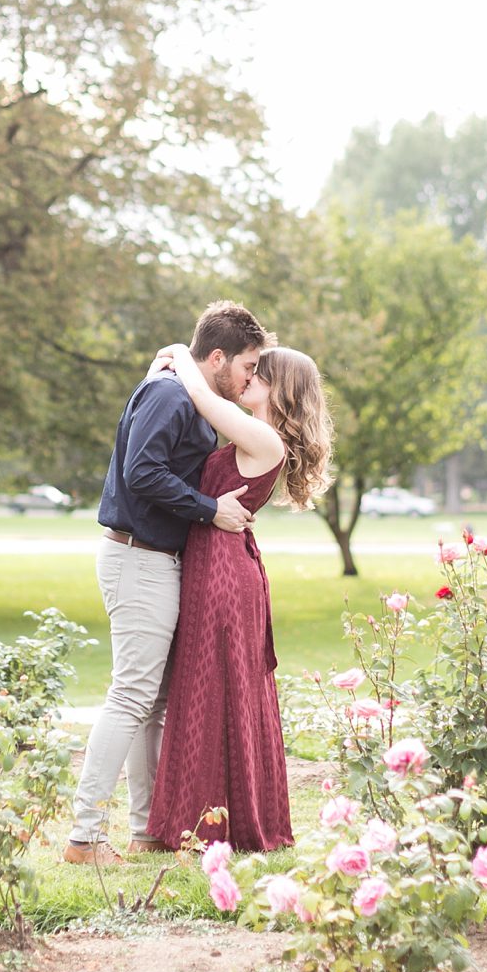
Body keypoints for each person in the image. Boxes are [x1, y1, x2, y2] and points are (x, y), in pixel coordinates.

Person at [61, 301, 274, 866]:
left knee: (151, 701)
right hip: (138, 558)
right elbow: (142, 472)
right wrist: (211, 510)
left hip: (158, 560)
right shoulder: (167, 394)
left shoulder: (189, 396)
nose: (252, 377)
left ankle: (145, 830)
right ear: (219, 356)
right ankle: (83, 837)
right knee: (131, 693)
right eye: (249, 365)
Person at [146, 341, 333, 853]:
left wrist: (181, 357)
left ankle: (215, 824)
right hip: (217, 566)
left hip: (225, 577)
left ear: (281, 387)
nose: (247, 377)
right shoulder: (256, 433)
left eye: (258, 372)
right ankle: (201, 818)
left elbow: (208, 403)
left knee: (214, 689)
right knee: (210, 689)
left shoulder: (266, 439)